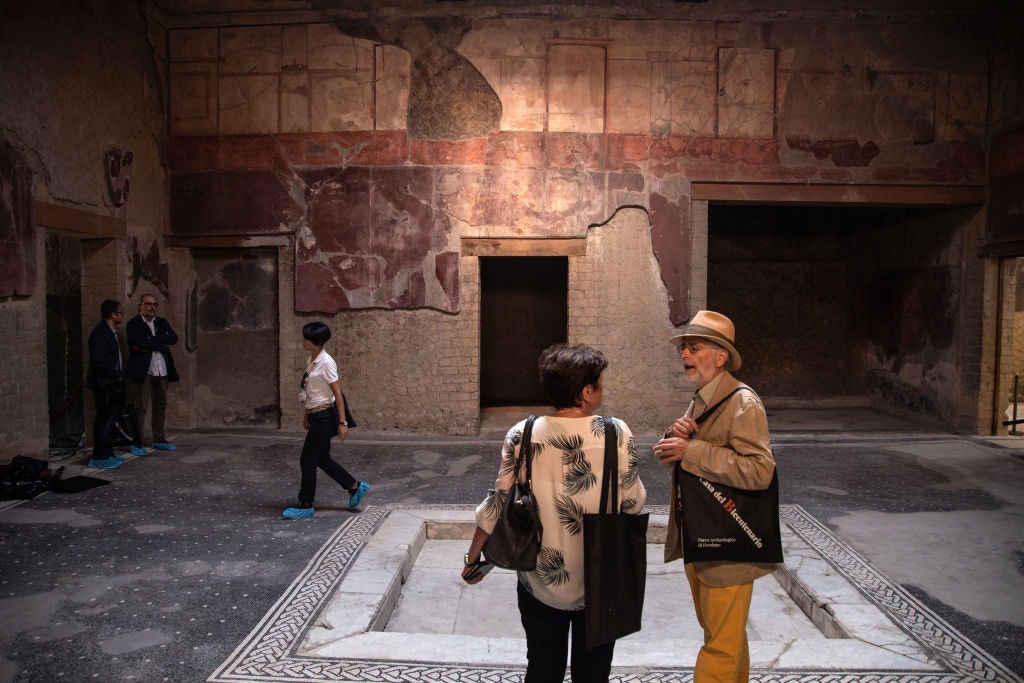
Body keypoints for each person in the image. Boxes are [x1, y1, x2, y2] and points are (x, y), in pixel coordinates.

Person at [462, 343, 647, 683]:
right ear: (587, 391)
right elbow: (633, 503)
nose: (602, 389)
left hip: (541, 581)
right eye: (600, 383)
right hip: (599, 582)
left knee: (543, 666)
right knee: (592, 675)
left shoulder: (522, 433)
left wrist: (473, 557)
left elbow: (497, 502)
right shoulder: (616, 433)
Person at [652, 310, 777, 683]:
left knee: (719, 647)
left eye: (695, 347)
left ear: (721, 355)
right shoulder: (702, 399)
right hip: (704, 536)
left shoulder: (743, 403)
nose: (685, 355)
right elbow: (671, 453)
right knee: (725, 637)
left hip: (730, 541)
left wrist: (692, 451)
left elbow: (760, 470)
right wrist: (674, 435)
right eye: (684, 348)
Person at [283, 321, 370, 519]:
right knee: (321, 459)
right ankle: (354, 486)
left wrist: (342, 423)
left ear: (314, 342)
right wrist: (307, 414)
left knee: (307, 460)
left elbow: (337, 394)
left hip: (324, 417)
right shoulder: (312, 359)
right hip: (316, 415)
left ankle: (306, 504)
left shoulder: (327, 362)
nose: (301, 340)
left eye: (305, 338)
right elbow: (311, 391)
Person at [125, 293, 179, 454]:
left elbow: (174, 338)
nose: (152, 307)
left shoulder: (162, 322)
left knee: (160, 405)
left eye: (155, 304)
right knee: (140, 407)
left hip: (161, 369)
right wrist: (160, 340)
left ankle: (159, 439)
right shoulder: (133, 324)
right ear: (140, 306)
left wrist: (151, 341)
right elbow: (138, 342)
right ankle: (137, 442)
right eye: (148, 304)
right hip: (143, 371)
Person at [85, 299, 125, 469]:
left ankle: (108, 452)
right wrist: (116, 374)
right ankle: (99, 456)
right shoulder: (100, 333)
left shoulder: (110, 331)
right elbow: (98, 361)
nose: (122, 315)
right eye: (120, 312)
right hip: (103, 383)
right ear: (113, 314)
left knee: (110, 419)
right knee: (103, 419)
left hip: (112, 382)